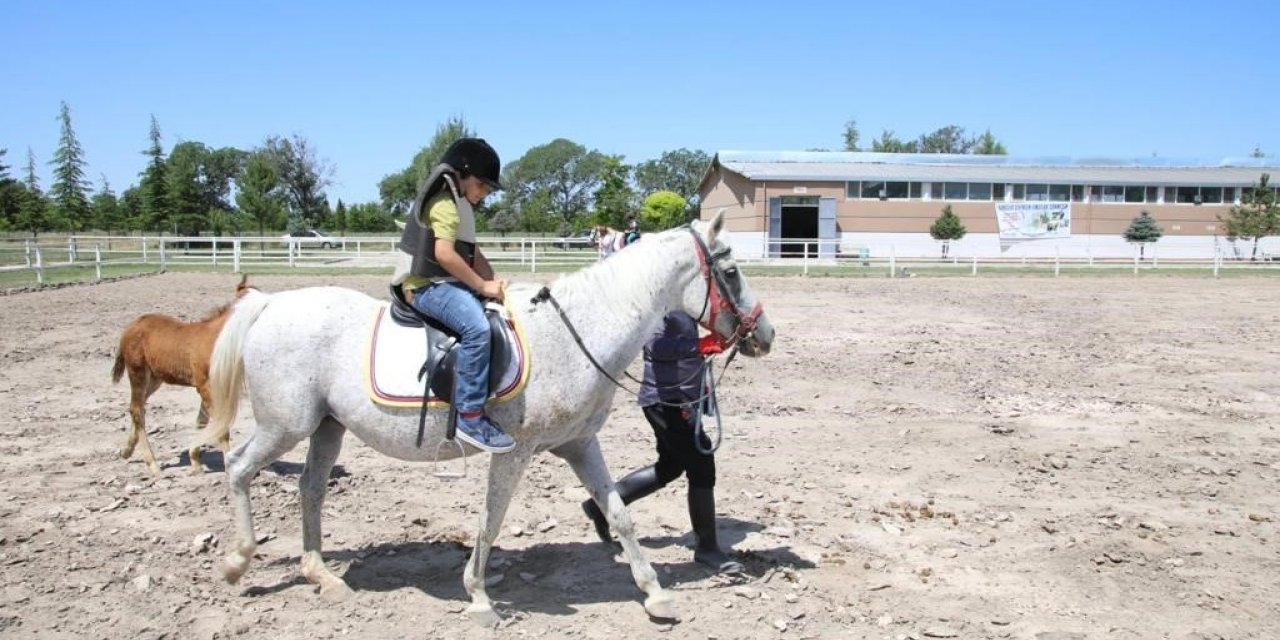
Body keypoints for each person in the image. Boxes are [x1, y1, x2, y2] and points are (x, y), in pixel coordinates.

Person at [582, 312, 744, 573]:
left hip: (677, 396)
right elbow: (656, 346)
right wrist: (699, 346)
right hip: (667, 400)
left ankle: (601, 506)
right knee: (702, 466)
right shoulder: (664, 304)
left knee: (670, 466)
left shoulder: (682, 299)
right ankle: (707, 549)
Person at [396, 138, 515, 454]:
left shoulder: (462, 205)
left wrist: (495, 284)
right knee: (476, 329)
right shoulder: (445, 204)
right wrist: (481, 286)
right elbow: (445, 255)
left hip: (445, 282)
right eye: (481, 185)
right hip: (426, 286)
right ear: (463, 173)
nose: (484, 193)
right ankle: (471, 416)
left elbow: (472, 255)